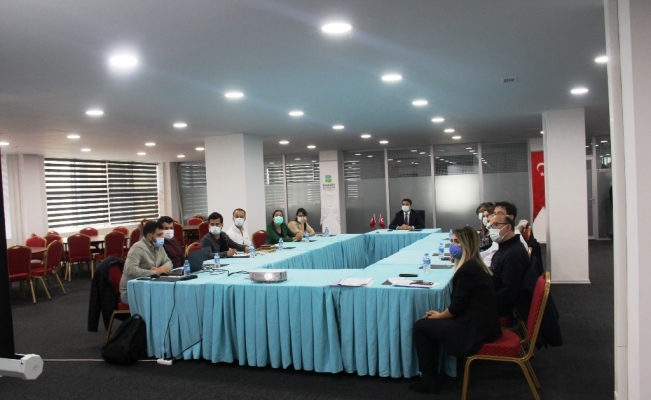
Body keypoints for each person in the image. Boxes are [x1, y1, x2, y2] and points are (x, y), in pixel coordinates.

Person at [411, 226, 501, 394]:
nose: (452, 245)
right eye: (451, 241)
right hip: (485, 324)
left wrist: (439, 316)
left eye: (456, 242)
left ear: (466, 244)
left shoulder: (467, 270)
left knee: (421, 326)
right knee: (428, 325)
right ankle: (432, 376)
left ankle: (429, 380)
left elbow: (456, 308)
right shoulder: (474, 265)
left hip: (474, 329)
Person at [119, 221, 172, 305]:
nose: (163, 237)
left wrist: (160, 269)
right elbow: (130, 269)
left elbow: (168, 262)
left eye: (162, 234)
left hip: (149, 288)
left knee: (171, 296)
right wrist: (154, 272)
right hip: (131, 292)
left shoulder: (159, 246)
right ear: (149, 236)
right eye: (159, 235)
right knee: (160, 302)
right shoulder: (137, 248)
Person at [487, 212, 530, 317]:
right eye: (491, 226)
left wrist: (484, 300)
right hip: (493, 294)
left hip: (498, 309)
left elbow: (509, 292)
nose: (492, 230)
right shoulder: (506, 247)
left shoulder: (513, 254)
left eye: (495, 225)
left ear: (508, 227)